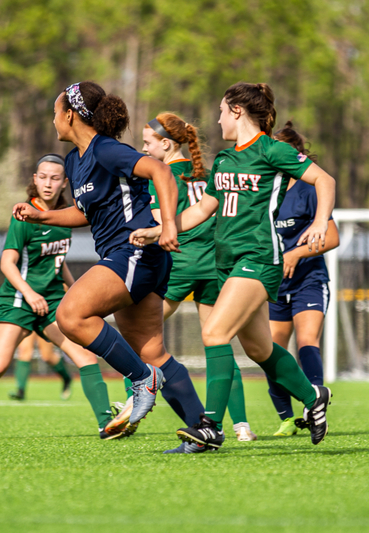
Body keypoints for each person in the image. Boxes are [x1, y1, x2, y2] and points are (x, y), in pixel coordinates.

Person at [131, 82, 336, 449]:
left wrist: (320, 222)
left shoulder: (272, 150)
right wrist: (160, 229)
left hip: (258, 258)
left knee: (214, 334)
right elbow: (202, 209)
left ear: (238, 111)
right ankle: (313, 397)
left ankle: (210, 425)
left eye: (223, 111)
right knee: (259, 350)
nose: (219, 117)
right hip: (228, 263)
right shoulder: (225, 160)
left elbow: (325, 179)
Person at [11, 81, 180, 439]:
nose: (52, 120)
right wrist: (43, 217)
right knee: (153, 349)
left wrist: (168, 226)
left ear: (69, 114)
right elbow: (84, 213)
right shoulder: (75, 160)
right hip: (120, 253)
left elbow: (160, 172)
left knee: (70, 316)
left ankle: (142, 380)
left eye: (55, 112)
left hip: (133, 250)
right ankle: (203, 427)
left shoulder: (105, 150)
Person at [0, 154, 116, 440]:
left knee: (86, 357)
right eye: (43, 177)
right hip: (18, 301)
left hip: (50, 305)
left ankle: (106, 424)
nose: (48, 183)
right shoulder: (24, 216)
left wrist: (74, 292)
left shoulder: (66, 216)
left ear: (64, 183)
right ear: (35, 180)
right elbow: (7, 263)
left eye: (55, 178)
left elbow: (59, 262)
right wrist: (30, 293)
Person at [141, 112, 257, 452]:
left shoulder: (161, 174)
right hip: (213, 265)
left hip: (180, 263)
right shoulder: (206, 175)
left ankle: (134, 400)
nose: (143, 149)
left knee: (137, 333)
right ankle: (241, 425)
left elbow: (157, 221)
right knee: (218, 345)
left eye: (147, 143)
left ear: (166, 144)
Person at [266, 121, 340, 436]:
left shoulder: (309, 189)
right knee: (270, 350)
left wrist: (295, 254)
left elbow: (332, 237)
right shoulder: (265, 191)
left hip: (309, 280)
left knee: (308, 341)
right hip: (273, 284)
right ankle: (286, 416)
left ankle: (315, 408)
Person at [8, 331, 73, 401]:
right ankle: (20, 391)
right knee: (24, 352)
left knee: (47, 356)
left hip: (42, 321)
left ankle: (66, 378)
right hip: (28, 320)